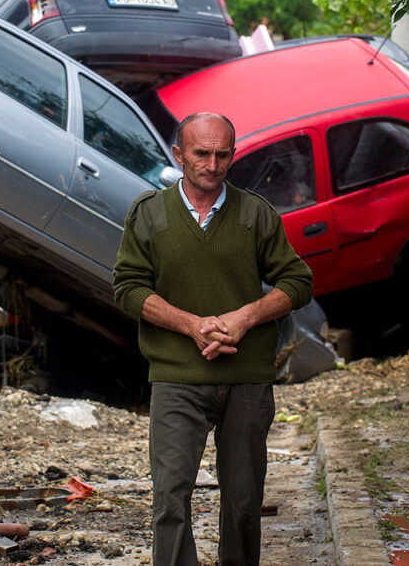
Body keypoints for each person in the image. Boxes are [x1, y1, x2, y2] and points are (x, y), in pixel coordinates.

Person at [113, 112, 314, 566]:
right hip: (176, 376)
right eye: (201, 153)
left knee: (244, 502)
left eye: (223, 154)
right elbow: (127, 287)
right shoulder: (149, 214)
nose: (212, 163)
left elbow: (298, 282)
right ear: (179, 154)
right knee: (169, 498)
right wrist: (190, 324)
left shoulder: (256, 213)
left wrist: (246, 316)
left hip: (246, 379)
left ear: (233, 155)